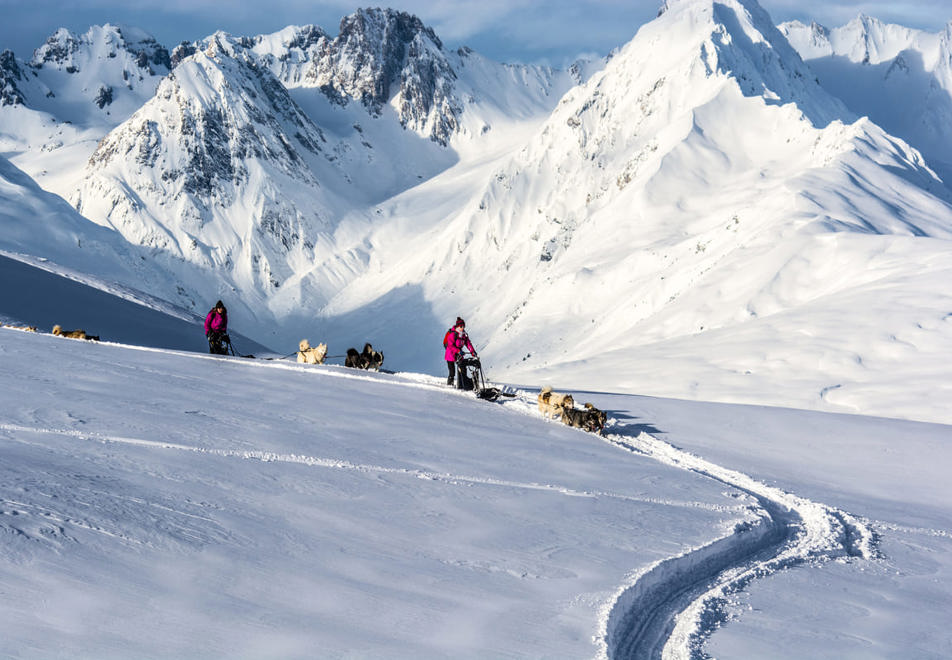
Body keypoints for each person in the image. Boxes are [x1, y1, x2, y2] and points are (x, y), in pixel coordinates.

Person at [443, 317, 476, 388]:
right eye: (461, 326)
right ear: (458, 326)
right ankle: (450, 385)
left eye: (463, 326)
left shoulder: (464, 335)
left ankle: (463, 383)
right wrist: (458, 351)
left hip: (459, 354)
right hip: (450, 354)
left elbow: (468, 343)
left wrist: (472, 351)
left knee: (462, 368)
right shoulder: (452, 334)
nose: (462, 328)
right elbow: (450, 346)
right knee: (452, 372)